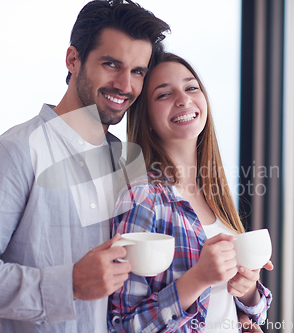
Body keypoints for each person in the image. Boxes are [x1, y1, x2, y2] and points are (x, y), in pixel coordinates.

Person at [0, 1, 170, 332]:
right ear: (73, 59)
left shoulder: (130, 168)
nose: (124, 85)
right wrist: (68, 283)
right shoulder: (13, 154)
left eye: (137, 72)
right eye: (111, 64)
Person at [108, 53, 273, 333]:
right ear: (145, 116)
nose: (183, 99)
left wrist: (247, 292)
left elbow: (234, 310)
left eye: (191, 87)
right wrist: (197, 278)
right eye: (164, 95)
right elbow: (122, 325)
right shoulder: (141, 198)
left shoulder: (215, 194)